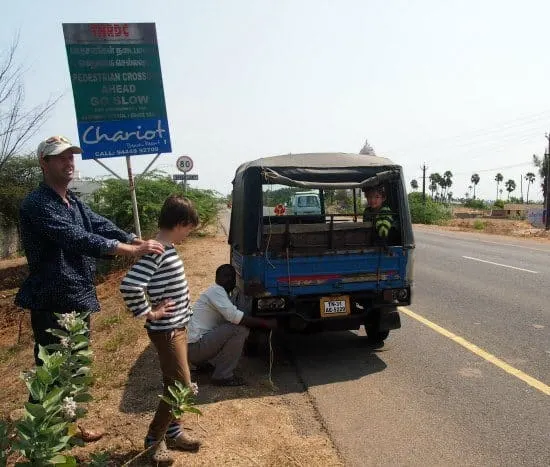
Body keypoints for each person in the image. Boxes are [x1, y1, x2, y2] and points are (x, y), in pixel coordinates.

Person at [15, 135, 165, 442]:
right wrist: (128, 250)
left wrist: (133, 238)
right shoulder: (37, 204)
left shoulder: (72, 201)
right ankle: (39, 439)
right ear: (44, 163)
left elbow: (99, 224)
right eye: (61, 157)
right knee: (51, 369)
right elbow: (77, 238)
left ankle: (70, 425)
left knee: (76, 364)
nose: (69, 162)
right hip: (53, 299)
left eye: (71, 156)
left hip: (78, 295)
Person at [120, 195, 201, 464]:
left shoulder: (167, 247)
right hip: (166, 330)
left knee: (177, 382)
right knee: (180, 385)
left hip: (177, 326)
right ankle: (154, 441)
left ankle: (174, 432)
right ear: (180, 223)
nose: (189, 234)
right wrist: (149, 312)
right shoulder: (157, 250)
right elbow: (130, 285)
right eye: (189, 228)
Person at [187, 264, 277, 387]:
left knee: (233, 327)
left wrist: (250, 294)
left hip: (195, 349)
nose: (229, 279)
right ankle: (222, 376)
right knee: (239, 329)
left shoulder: (223, 295)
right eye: (225, 276)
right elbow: (237, 318)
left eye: (231, 277)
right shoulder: (216, 291)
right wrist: (266, 323)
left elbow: (235, 313)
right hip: (195, 349)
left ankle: (205, 364)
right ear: (216, 279)